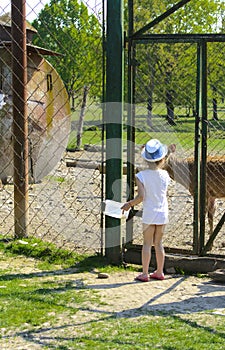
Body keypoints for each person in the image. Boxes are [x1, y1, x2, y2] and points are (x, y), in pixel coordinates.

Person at [121, 139, 170, 282]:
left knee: (147, 243)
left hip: (149, 212)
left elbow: (142, 197)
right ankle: (160, 271)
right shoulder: (165, 175)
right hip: (162, 212)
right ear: (162, 159)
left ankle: (145, 273)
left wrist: (129, 204)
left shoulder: (141, 176)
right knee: (159, 243)